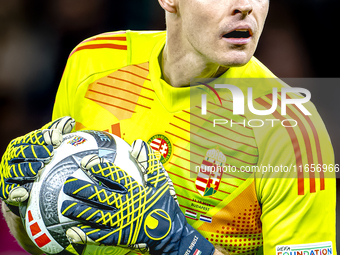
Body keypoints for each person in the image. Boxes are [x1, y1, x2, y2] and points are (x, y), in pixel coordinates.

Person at [1, 0, 337, 254]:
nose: (246, 7)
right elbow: (54, 240)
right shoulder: (92, 62)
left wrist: (181, 244)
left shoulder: (294, 132)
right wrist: (18, 206)